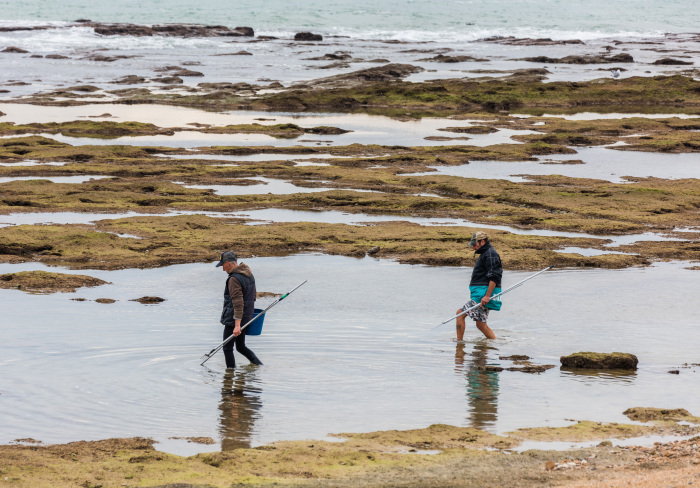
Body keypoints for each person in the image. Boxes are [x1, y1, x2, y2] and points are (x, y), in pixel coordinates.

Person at [216, 251, 263, 369]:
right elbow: (253, 297)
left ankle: (229, 377)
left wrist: (237, 325)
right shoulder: (249, 274)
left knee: (227, 348)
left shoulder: (233, 279)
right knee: (240, 346)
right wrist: (246, 316)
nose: (223, 269)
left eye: (223, 266)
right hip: (246, 317)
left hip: (234, 319)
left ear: (228, 263)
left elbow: (237, 302)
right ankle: (259, 366)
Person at [456, 231, 502, 340]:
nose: (473, 248)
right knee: (481, 325)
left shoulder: (490, 254)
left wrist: (487, 296)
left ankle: (459, 345)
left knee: (460, 314)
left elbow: (494, 276)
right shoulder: (486, 253)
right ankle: (492, 345)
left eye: (474, 244)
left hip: (482, 294)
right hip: (480, 293)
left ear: (482, 242)